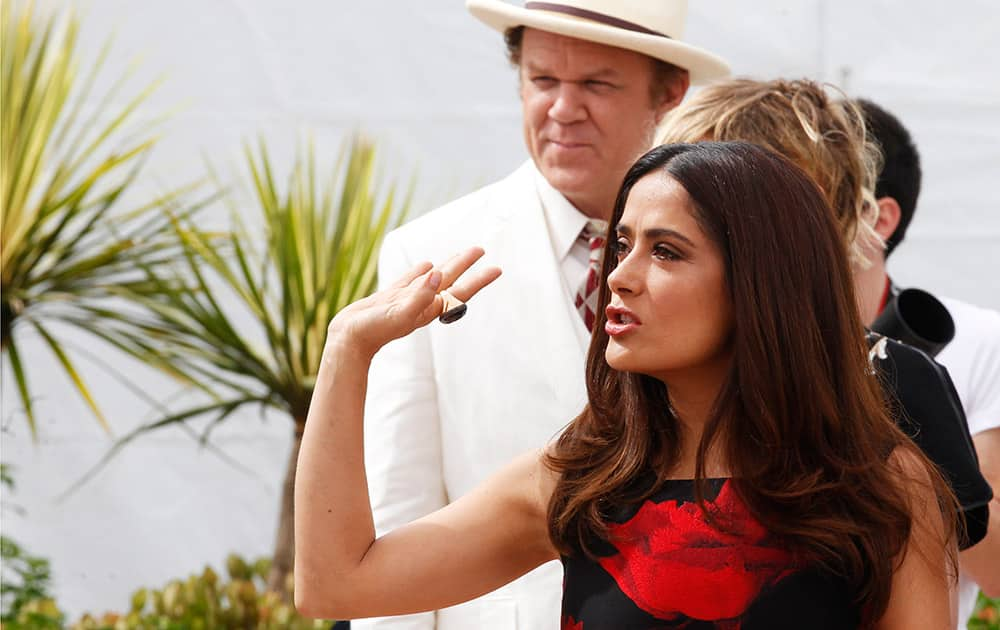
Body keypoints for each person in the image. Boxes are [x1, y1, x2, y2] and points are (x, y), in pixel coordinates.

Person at [295, 141, 958, 629]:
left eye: (665, 252)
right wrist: (348, 350)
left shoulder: (880, 487)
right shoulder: (580, 481)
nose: (619, 275)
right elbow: (335, 585)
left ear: (760, 285)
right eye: (621, 245)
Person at [360, 2, 729, 628]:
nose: (562, 109)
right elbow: (399, 508)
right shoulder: (427, 253)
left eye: (596, 84)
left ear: (669, 91)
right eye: (542, 80)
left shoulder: (732, 253)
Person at [655, 78, 993, 553]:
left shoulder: (896, 376)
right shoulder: (644, 369)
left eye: (717, 209)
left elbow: (946, 556)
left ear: (812, 220)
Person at [854, 98, 1000, 626]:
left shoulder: (976, 339)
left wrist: (907, 421)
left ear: (877, 216)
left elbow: (997, 567)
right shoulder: (729, 337)